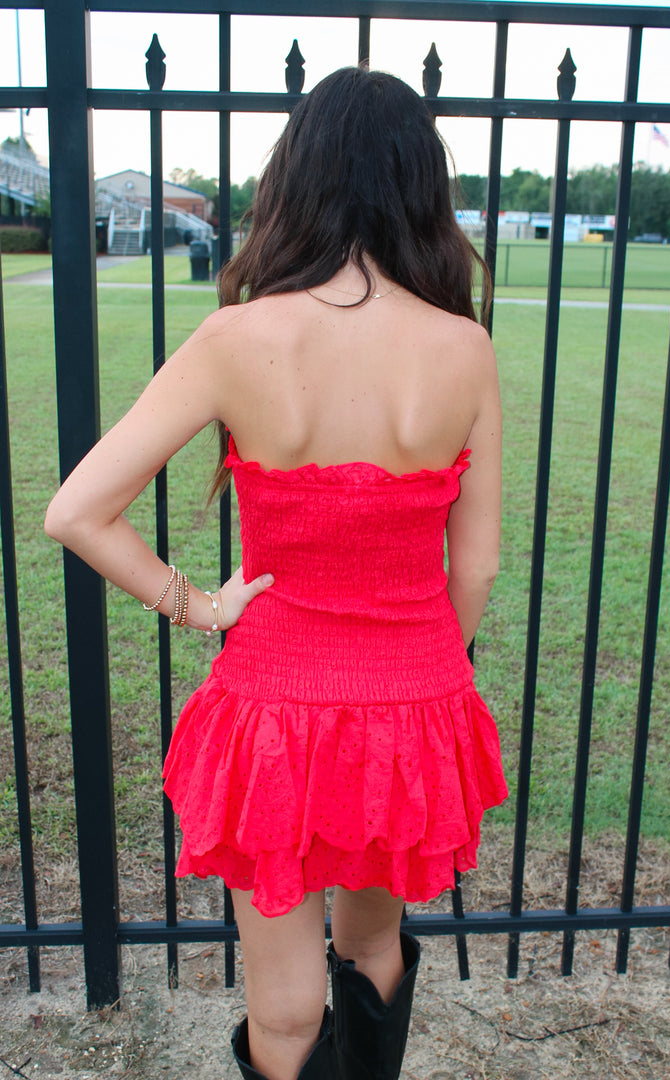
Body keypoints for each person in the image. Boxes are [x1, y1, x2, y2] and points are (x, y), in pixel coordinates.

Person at [45, 66, 507, 1080]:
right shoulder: (463, 349)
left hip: (274, 707)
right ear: (420, 185)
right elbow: (476, 567)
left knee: (288, 1007)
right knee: (375, 945)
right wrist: (423, 658)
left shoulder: (235, 339)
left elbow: (76, 511)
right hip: (410, 699)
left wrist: (199, 605)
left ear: (293, 180)